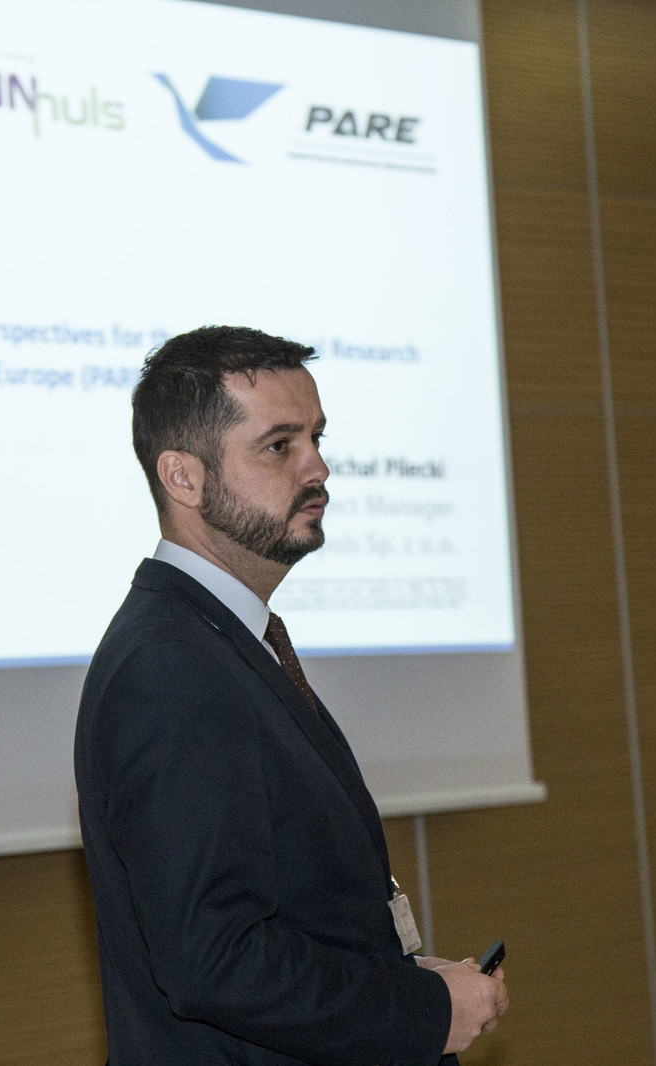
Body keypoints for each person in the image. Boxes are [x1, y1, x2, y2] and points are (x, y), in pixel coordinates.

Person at [75, 325, 509, 1065]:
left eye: (316, 437)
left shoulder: (227, 641)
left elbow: (288, 919)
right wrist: (425, 1011)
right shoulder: (169, 669)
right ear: (183, 478)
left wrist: (398, 978)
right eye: (279, 446)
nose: (318, 468)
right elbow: (216, 960)